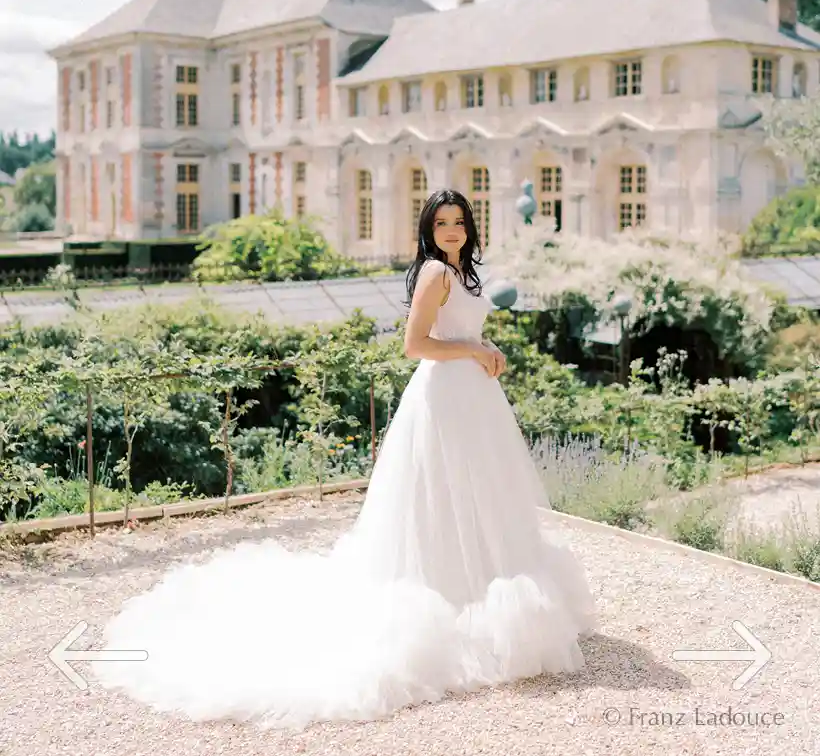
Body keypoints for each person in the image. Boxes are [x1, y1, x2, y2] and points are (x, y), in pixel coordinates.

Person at [94, 188, 596, 730]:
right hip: (445, 396)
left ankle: (477, 581)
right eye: (442, 223)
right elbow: (415, 344)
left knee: (478, 492)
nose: (452, 230)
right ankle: (449, 589)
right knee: (442, 490)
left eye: (459, 222)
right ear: (428, 229)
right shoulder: (434, 273)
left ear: (470, 227)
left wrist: (483, 345)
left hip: (473, 396)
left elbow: (458, 330)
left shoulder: (465, 273)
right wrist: (474, 350)